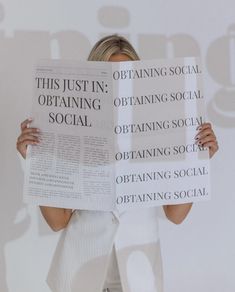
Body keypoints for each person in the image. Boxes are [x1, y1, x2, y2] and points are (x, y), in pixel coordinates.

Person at [16, 35, 219, 292]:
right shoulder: (73, 134)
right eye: (109, 77)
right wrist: (37, 163)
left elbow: (175, 214)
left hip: (138, 276)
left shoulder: (159, 133)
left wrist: (198, 161)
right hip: (80, 275)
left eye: (126, 76)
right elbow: (57, 221)